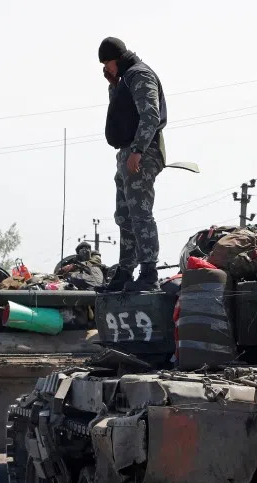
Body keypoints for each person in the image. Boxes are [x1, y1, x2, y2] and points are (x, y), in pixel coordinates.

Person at [98, 36, 167, 292]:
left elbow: (150, 114)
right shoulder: (125, 79)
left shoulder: (139, 75)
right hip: (128, 152)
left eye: (107, 63)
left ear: (115, 59)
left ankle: (149, 273)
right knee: (125, 216)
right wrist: (114, 86)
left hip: (143, 152)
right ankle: (125, 272)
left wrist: (138, 150)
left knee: (140, 213)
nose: (106, 69)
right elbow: (122, 114)